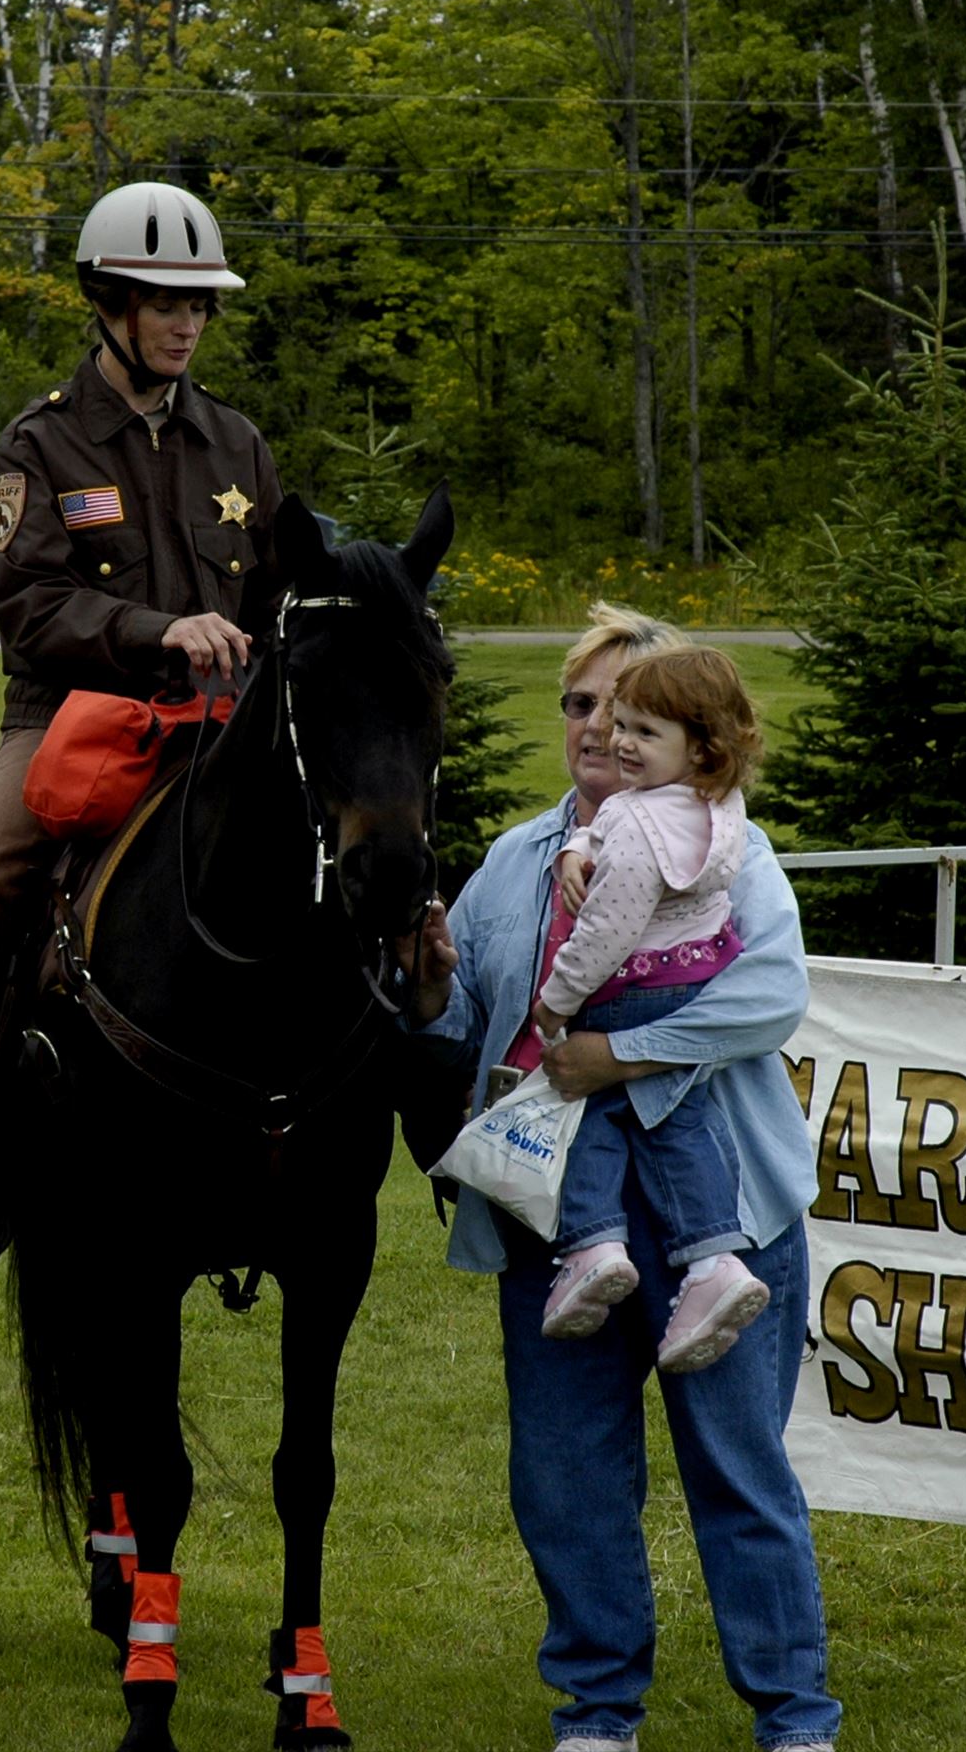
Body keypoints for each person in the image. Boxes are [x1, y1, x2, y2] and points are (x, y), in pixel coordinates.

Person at [404, 605, 841, 1752]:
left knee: (736, 1473)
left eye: (625, 708)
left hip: (719, 1221)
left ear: (681, 731)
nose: (598, 727)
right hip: (555, 1225)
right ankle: (597, 1713)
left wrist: (617, 1054)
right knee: (567, 1480)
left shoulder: (725, 844)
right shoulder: (514, 862)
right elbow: (466, 1024)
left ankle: (795, 1719)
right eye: (579, 703)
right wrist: (428, 987)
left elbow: (769, 997)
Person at [0, 181, 281, 1255]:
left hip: (220, 721)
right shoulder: (41, 443)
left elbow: (272, 593)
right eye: (164, 303)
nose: (186, 324)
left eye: (199, 306)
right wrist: (159, 630)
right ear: (109, 304)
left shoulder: (237, 444)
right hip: (70, 718)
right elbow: (27, 602)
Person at [528, 646, 770, 1373]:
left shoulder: (634, 821)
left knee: (587, 1109)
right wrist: (577, 846)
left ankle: (593, 1246)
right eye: (620, 723)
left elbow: (606, 932)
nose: (621, 742)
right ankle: (714, 1260)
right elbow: (613, 830)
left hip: (630, 990)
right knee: (679, 1123)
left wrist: (556, 1002)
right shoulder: (717, 805)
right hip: (695, 976)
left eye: (644, 732)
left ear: (700, 747)